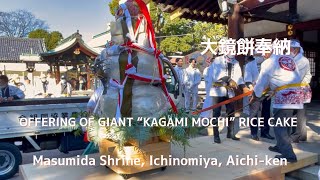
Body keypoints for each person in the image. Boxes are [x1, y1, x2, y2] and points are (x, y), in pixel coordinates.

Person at [251, 51, 303, 162]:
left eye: (262, 53)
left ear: (267, 52)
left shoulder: (268, 62)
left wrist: (256, 95)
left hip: (284, 96)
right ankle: (281, 146)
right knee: (286, 123)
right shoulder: (288, 59)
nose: (261, 55)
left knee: (280, 125)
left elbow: (261, 82)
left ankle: (289, 155)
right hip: (296, 94)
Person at [208, 54, 249, 143]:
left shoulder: (236, 62)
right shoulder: (218, 60)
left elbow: (239, 77)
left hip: (230, 92)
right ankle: (216, 135)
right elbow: (216, 76)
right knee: (216, 114)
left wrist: (243, 87)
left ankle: (230, 133)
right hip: (217, 91)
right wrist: (229, 79)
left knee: (231, 113)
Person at [244, 54, 275, 141]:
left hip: (266, 92)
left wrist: (272, 89)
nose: (262, 56)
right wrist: (251, 89)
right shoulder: (249, 65)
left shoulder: (270, 64)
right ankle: (253, 132)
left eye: (263, 54)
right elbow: (247, 79)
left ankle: (265, 132)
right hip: (254, 91)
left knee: (266, 112)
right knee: (254, 113)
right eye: (258, 54)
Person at [289, 40, 312, 143]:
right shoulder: (294, 59)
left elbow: (296, 76)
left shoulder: (302, 60)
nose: (289, 50)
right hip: (297, 90)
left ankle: (297, 136)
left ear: (296, 49)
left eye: (291, 48)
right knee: (299, 114)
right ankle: (302, 136)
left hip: (300, 90)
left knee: (299, 115)